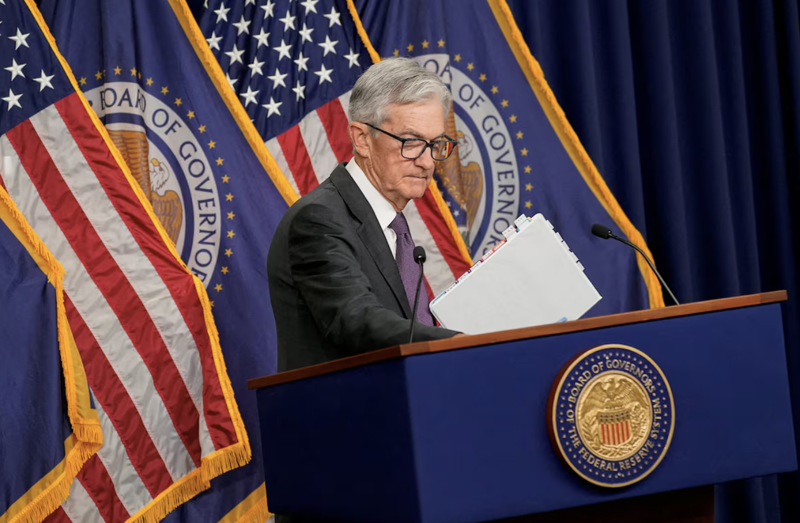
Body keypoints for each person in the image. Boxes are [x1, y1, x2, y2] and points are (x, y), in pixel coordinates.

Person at [267, 57, 462, 373]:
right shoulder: (318, 220)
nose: (427, 162)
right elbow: (356, 319)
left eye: (436, 144)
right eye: (411, 142)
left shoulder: (391, 222)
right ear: (361, 139)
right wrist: (460, 342)